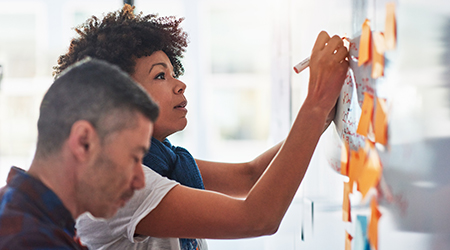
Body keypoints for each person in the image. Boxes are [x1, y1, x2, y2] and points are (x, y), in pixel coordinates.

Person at [53, 4, 348, 250]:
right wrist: (316, 102)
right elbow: (257, 218)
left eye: (173, 73)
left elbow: (250, 176)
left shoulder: (162, 162)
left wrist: (320, 118)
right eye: (160, 76)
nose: (179, 84)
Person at [0, 58, 160, 249]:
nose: (140, 181)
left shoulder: (25, 215)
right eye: (134, 158)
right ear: (84, 142)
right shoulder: (32, 241)